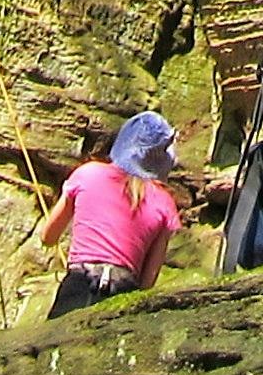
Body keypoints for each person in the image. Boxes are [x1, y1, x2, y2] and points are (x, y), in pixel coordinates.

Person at [31, 110, 184, 316]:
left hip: (78, 284)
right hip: (124, 294)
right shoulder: (165, 203)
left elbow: (48, 237)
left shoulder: (87, 173)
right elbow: (147, 283)